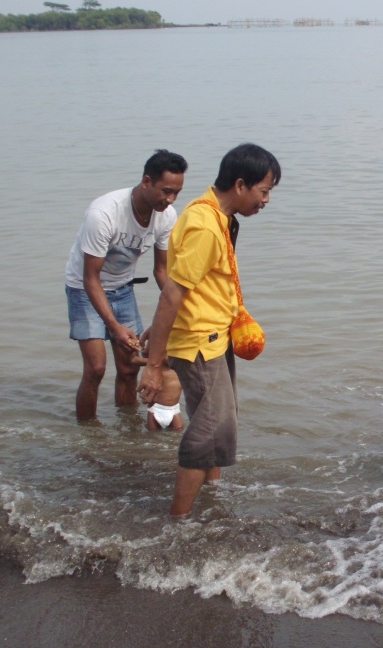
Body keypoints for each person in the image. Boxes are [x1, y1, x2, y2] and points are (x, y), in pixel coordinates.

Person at [137, 143, 281, 519]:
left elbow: (191, 284)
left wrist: (158, 326)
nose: (266, 200)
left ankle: (214, 497)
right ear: (239, 184)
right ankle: (179, 522)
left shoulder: (220, 217)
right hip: (200, 344)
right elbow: (173, 290)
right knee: (207, 433)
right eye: (263, 191)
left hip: (214, 337)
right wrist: (154, 365)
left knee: (217, 424)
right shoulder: (204, 224)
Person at [65, 150, 187, 421]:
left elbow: (161, 270)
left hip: (123, 288)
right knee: (96, 368)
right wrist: (114, 326)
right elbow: (90, 278)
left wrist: (178, 310)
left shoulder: (166, 216)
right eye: (166, 191)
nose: (170, 200)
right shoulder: (104, 213)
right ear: (146, 182)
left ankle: (126, 430)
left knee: (129, 367)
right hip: (85, 289)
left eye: (176, 193)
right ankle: (88, 436)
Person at [131, 356, 184, 431]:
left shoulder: (178, 365)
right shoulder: (157, 367)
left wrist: (146, 361)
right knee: (152, 435)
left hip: (174, 410)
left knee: (178, 433)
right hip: (156, 409)